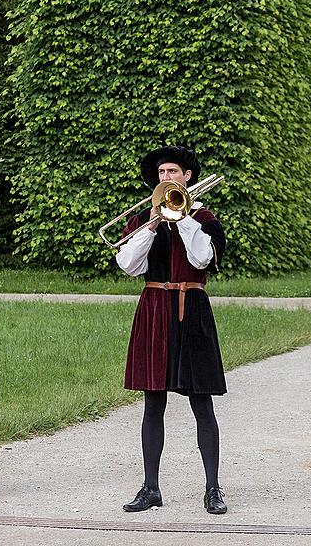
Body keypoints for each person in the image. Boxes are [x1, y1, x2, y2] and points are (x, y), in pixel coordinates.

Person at [115, 146, 228, 515]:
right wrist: (150, 226)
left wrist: (182, 219)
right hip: (154, 310)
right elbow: (129, 265)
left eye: (172, 172)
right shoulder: (145, 220)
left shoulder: (205, 219)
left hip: (191, 309)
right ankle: (150, 487)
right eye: (161, 173)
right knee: (153, 402)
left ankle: (212, 488)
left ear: (187, 177)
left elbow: (203, 258)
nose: (165, 178)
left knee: (202, 402)